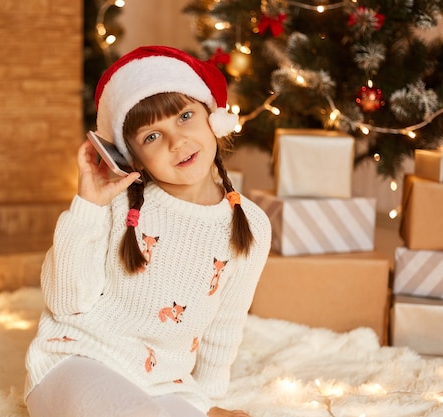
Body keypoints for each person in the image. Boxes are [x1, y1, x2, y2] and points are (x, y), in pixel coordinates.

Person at [24, 45, 271, 417]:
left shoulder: (251, 225)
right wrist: (88, 205)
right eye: (152, 137)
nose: (177, 142)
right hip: (78, 361)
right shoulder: (115, 205)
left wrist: (208, 402)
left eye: (186, 116)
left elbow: (225, 325)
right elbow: (66, 301)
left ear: (213, 119)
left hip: (164, 385)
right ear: (134, 158)